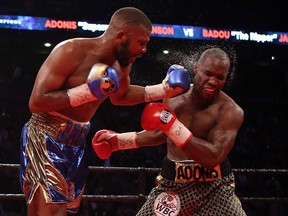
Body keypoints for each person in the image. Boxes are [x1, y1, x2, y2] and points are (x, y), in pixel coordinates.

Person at [19, 7, 191, 216]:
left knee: (60, 210)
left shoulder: (121, 64)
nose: (144, 49)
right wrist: (87, 91)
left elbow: (120, 96)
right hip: (46, 135)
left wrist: (163, 90)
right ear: (121, 37)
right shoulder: (70, 51)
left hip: (77, 140)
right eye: (142, 42)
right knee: (52, 210)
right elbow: (36, 102)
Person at [93, 47, 247, 215]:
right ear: (196, 68)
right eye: (208, 73)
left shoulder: (230, 111)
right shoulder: (174, 95)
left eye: (220, 77)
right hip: (172, 186)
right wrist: (119, 142)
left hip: (215, 189)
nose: (213, 81)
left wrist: (173, 126)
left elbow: (213, 156)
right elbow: (163, 133)